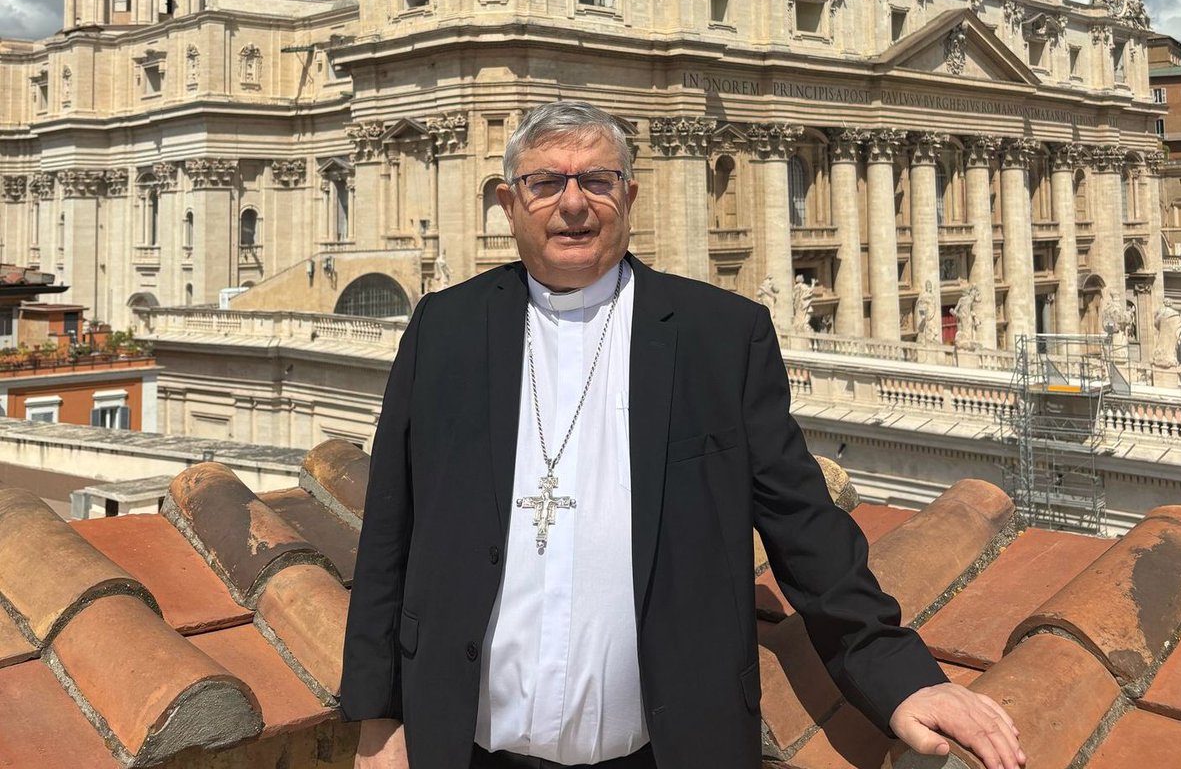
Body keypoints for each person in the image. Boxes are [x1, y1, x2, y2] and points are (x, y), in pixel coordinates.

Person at [342, 101, 1024, 769]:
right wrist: (379, 717)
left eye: (597, 181)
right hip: (461, 748)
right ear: (508, 202)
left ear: (630, 196)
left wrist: (902, 677)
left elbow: (804, 527)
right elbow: (389, 534)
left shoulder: (722, 337)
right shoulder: (442, 329)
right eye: (545, 183)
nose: (573, 204)